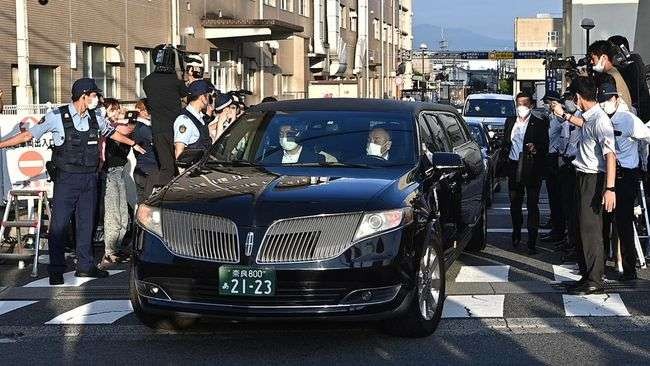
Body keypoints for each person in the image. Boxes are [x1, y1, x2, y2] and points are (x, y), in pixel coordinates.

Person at [0, 78, 145, 285]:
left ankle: (85, 267)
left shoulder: (95, 117)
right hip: (67, 178)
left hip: (90, 177)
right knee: (59, 225)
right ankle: (56, 270)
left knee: (87, 223)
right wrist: (2, 144)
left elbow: (112, 133)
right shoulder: (57, 116)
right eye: (94, 95)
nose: (97, 99)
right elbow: (28, 135)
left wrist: (133, 143)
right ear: (83, 96)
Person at [552, 76, 617, 295]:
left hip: (594, 178)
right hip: (581, 175)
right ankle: (585, 274)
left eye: (574, 97)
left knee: (590, 230)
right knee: (579, 227)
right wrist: (566, 116)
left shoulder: (600, 119)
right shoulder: (588, 116)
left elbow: (610, 155)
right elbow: (582, 124)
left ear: (579, 97)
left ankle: (595, 279)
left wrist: (609, 189)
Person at [598, 81, 650, 281]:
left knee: (624, 222)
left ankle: (629, 269)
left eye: (608, 99)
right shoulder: (599, 118)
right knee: (602, 221)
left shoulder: (629, 120)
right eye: (601, 100)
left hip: (626, 175)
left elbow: (646, 138)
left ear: (616, 99)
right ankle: (599, 266)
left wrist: (643, 164)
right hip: (605, 174)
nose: (604, 103)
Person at [497, 92, 549, 254]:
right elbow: (506, 142)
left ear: (531, 106)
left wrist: (536, 148)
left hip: (531, 166)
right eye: (519, 103)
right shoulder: (510, 121)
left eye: (525, 104)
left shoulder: (538, 123)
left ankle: (532, 240)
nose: (521, 107)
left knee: (532, 204)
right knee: (515, 203)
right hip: (513, 165)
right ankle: (516, 232)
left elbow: (545, 146)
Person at [143, 45, 188, 185]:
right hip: (177, 128)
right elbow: (185, 94)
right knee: (181, 166)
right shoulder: (175, 81)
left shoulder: (148, 81)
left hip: (158, 129)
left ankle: (161, 197)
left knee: (166, 167)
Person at [99, 108, 136, 270]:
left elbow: (125, 129)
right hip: (110, 174)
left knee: (122, 216)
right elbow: (118, 129)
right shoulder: (110, 128)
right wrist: (119, 121)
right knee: (113, 214)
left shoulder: (129, 132)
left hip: (119, 173)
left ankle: (115, 248)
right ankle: (109, 251)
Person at [557, 91, 582, 262]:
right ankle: (569, 239)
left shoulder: (580, 117)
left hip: (578, 164)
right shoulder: (567, 119)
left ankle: (574, 243)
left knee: (576, 210)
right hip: (567, 161)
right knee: (567, 205)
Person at [541, 91, 567, 246]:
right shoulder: (549, 117)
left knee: (558, 196)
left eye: (549, 102)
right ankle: (555, 225)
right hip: (549, 158)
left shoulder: (560, 118)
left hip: (556, 157)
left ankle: (559, 230)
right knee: (552, 195)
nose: (547, 105)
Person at [608, 35, 650, 122]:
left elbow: (631, 88)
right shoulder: (631, 62)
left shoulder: (631, 63)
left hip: (638, 111)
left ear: (620, 49)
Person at [173, 80, 215, 159]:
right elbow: (179, 151)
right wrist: (183, 171)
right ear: (203, 98)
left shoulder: (199, 117)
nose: (210, 100)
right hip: (192, 169)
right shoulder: (184, 120)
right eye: (209, 96)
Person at [588, 40, 633, 109]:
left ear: (604, 58)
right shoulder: (612, 72)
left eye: (593, 58)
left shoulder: (609, 77)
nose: (591, 62)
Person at [133, 99, 157, 202]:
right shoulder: (143, 128)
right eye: (145, 110)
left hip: (144, 167)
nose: (147, 113)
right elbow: (156, 141)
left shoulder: (144, 126)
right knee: (147, 202)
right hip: (147, 168)